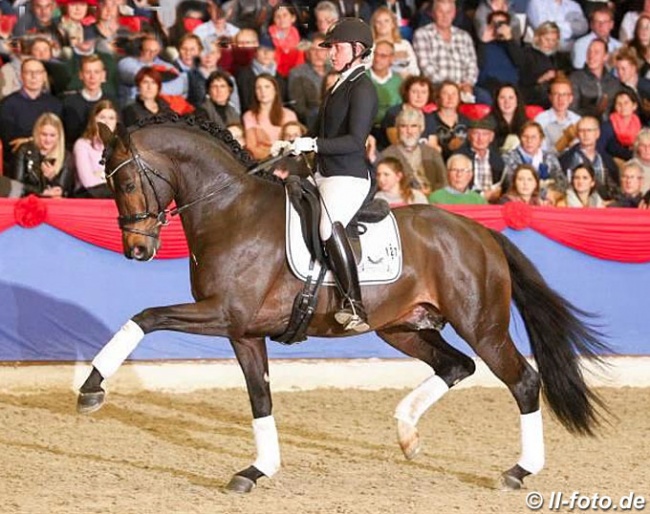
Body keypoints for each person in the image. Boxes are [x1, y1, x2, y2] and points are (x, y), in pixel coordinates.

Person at [272, 18, 377, 332]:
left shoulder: (363, 88)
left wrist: (313, 143)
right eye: (332, 47)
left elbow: (355, 141)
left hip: (348, 176)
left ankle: (354, 304)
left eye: (338, 47)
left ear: (357, 50)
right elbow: (318, 129)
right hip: (323, 172)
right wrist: (293, 144)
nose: (332, 53)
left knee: (327, 226)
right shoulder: (339, 83)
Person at [0, 58, 62, 170]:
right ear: (21, 76)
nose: (33, 76)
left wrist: (29, 140)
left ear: (44, 76)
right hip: (20, 163)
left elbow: (59, 136)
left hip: (51, 159)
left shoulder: (55, 104)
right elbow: (13, 143)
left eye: (38, 72)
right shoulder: (7, 104)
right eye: (29, 72)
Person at [412, 0, 479, 103]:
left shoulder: (464, 36)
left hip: (464, 87)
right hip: (437, 87)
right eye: (441, 12)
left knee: (485, 99)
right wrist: (451, 87)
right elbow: (426, 67)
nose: (445, 16)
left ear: (454, 14)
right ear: (433, 13)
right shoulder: (422, 34)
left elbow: (472, 65)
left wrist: (468, 83)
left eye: (448, 12)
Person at [379, 106, 447, 195]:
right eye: (404, 126)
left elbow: (444, 183)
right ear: (397, 129)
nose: (409, 131)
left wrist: (431, 193)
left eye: (414, 126)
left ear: (421, 128)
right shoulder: (386, 155)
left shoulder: (432, 153)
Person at [10, 112, 74, 198]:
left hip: (54, 203)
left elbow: (63, 190)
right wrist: (42, 192)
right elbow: (17, 185)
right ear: (37, 133)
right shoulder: (24, 150)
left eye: (52, 135)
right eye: (44, 134)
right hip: (28, 200)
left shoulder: (66, 156)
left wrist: (53, 178)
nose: (48, 140)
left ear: (59, 136)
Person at [502, 120, 567, 202]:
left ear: (541, 139)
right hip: (518, 201)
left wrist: (553, 194)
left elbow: (562, 182)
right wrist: (543, 194)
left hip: (548, 201)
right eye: (525, 136)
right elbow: (510, 184)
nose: (529, 141)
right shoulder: (509, 157)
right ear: (520, 138)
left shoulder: (549, 157)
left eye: (533, 137)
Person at [62, 54, 116, 149]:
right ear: (81, 75)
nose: (92, 77)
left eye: (96, 72)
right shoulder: (68, 103)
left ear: (103, 75)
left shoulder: (113, 102)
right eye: (88, 72)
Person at [559, 115, 619, 200]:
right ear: (577, 134)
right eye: (581, 131)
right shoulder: (565, 159)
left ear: (597, 133)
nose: (585, 134)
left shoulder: (607, 160)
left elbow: (615, 190)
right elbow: (560, 188)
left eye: (589, 130)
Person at [242, 73, 297, 160]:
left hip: (287, 162)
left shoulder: (289, 115)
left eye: (267, 87)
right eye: (258, 88)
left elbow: (292, 145)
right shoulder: (249, 116)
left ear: (275, 90)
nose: (263, 91)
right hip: (261, 163)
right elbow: (251, 147)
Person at [73, 99, 118, 198]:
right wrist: (110, 178)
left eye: (111, 118)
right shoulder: (82, 145)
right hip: (88, 198)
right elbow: (89, 183)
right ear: (94, 120)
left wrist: (99, 174)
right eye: (102, 117)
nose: (107, 122)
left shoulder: (120, 146)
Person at [455, 116, 505, 203]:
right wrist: (482, 195)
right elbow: (457, 186)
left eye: (485, 134)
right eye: (476, 134)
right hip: (468, 201)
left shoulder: (498, 157)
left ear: (491, 137)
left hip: (495, 201)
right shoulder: (459, 156)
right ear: (469, 135)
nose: (480, 139)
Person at [288, 33, 330, 132]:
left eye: (322, 50)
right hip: (310, 122)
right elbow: (299, 108)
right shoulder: (297, 73)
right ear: (307, 53)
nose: (317, 54)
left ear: (328, 52)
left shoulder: (334, 71)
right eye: (313, 50)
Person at [570, 38, 621, 120]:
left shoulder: (614, 82)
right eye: (589, 52)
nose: (591, 56)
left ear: (605, 57)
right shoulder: (576, 78)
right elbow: (572, 110)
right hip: (584, 126)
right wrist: (595, 112)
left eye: (596, 52)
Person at [519, 21, 562, 109]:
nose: (550, 43)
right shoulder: (528, 54)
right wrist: (541, 78)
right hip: (532, 96)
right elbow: (522, 79)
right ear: (538, 37)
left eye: (553, 40)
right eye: (547, 39)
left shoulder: (557, 57)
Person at [534, 74, 581, 154]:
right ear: (550, 97)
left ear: (571, 98)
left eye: (564, 95)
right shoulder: (540, 120)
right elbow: (540, 152)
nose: (560, 99)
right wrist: (563, 142)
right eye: (556, 94)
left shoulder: (577, 120)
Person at [370, 6, 420, 79]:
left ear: (393, 24)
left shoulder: (404, 44)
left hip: (405, 82)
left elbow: (415, 71)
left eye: (386, 21)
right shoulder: (370, 46)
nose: (382, 24)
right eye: (378, 22)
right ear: (374, 26)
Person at [597, 89, 642, 167]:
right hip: (612, 167)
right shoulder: (606, 127)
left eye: (626, 103)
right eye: (619, 104)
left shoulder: (641, 126)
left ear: (634, 106)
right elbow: (599, 151)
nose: (622, 107)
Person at [570, 6, 621, 70]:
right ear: (591, 24)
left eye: (605, 22)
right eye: (597, 22)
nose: (601, 25)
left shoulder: (619, 46)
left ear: (611, 24)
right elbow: (580, 71)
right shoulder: (581, 44)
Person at [428, 80, 470, 160]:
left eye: (454, 94)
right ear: (438, 97)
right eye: (445, 93)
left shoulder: (465, 120)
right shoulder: (430, 119)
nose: (450, 97)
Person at [490, 83, 527, 153]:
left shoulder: (527, 124)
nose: (507, 102)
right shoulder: (488, 124)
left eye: (511, 98)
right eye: (502, 98)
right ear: (496, 101)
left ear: (517, 101)